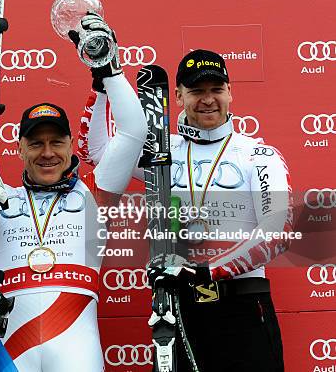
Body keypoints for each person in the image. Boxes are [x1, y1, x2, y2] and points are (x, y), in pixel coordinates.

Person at [0, 14, 148, 371]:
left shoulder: (95, 195)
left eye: (56, 142)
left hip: (76, 347)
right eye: (36, 143)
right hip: (8, 347)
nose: (47, 153)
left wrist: (109, 69)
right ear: (19, 147)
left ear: (71, 144)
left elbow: (134, 131)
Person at [79, 49, 293, 372]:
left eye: (216, 89)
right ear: (178, 96)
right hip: (177, 308)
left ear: (230, 92)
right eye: (196, 91)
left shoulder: (258, 155)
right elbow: (95, 151)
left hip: (243, 309)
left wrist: (205, 270)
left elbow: (278, 230)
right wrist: (102, 84)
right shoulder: (162, 153)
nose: (208, 100)